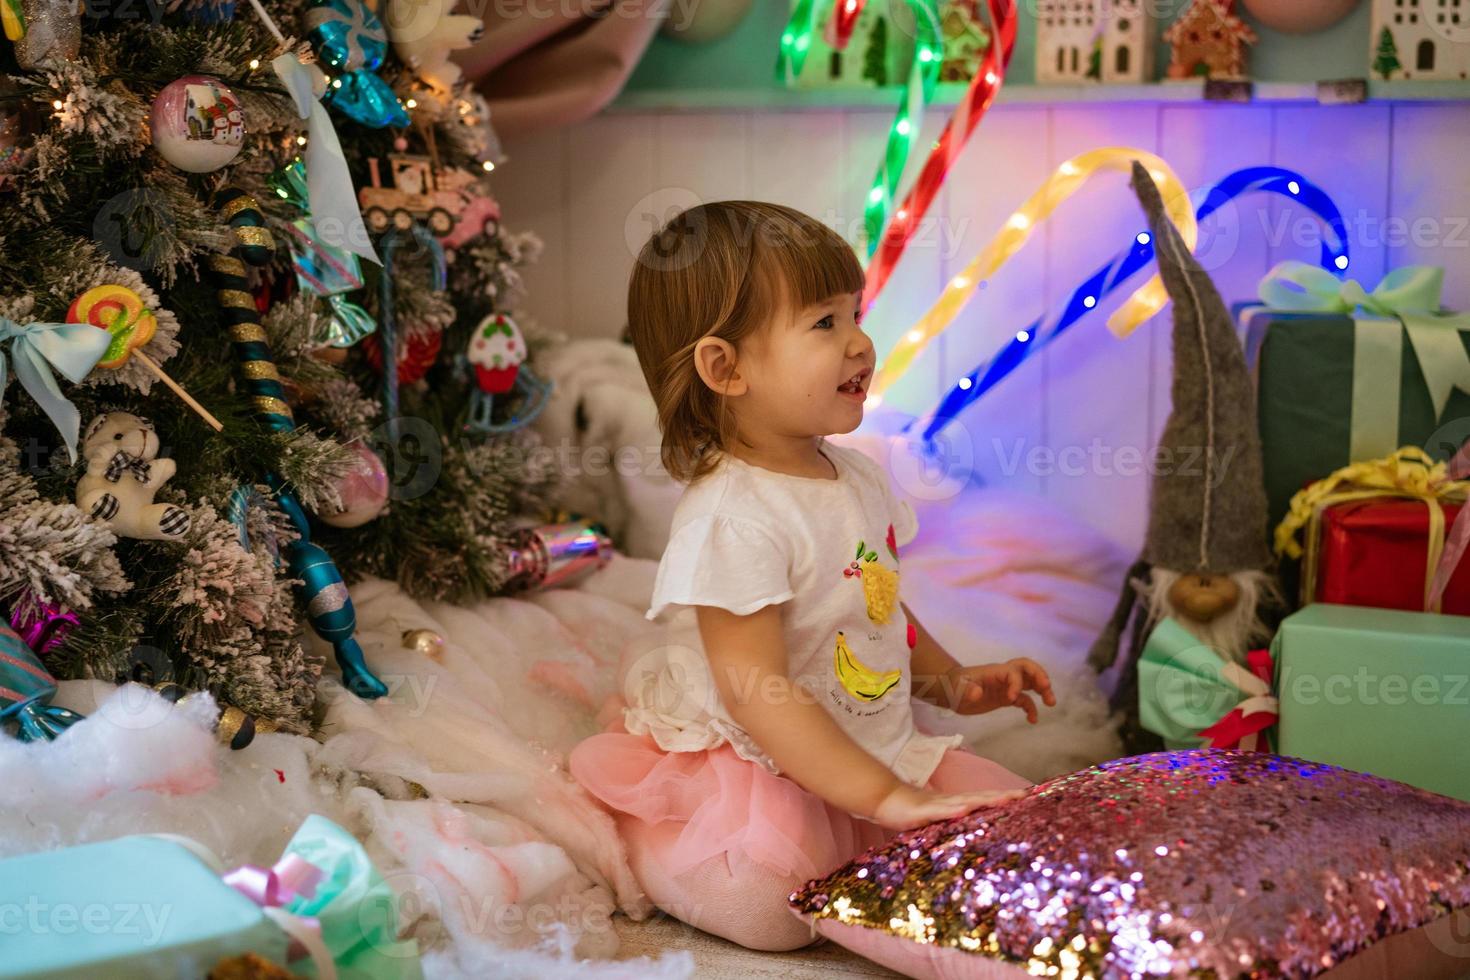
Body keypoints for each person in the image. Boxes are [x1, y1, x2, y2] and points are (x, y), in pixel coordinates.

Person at [568, 201, 1055, 951]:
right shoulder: (734, 517)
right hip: (758, 755)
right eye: (824, 324)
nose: (860, 341)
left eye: (852, 314)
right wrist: (880, 796)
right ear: (725, 368)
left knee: (1016, 827)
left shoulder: (855, 477)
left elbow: (877, 607)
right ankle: (654, 835)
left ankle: (869, 823)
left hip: (862, 742)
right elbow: (757, 693)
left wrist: (955, 682)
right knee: (773, 909)